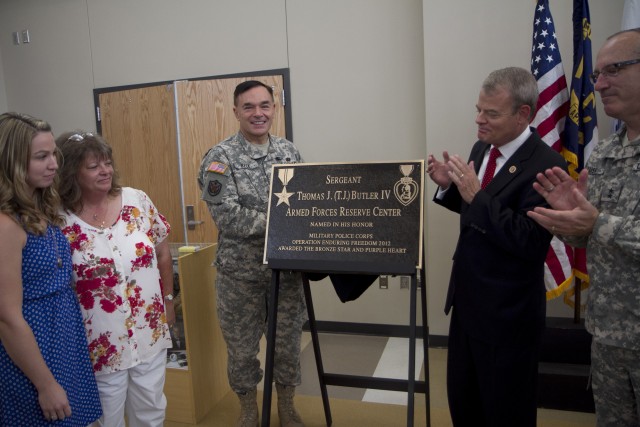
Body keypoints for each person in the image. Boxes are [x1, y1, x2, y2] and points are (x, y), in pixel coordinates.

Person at [426, 67, 567, 427]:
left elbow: (530, 241)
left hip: (509, 317)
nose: (479, 120)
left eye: (490, 113)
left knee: (506, 411)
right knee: (465, 403)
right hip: (468, 304)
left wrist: (476, 195)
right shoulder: (482, 148)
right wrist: (450, 187)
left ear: (524, 114)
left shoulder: (547, 166)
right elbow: (479, 216)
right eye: (478, 110)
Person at [527, 28, 640, 427]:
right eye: (596, 75)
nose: (599, 84)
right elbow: (592, 234)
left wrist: (599, 223)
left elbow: (603, 226)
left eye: (614, 70)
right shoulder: (608, 151)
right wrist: (568, 222)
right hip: (608, 334)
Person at [197, 80, 305, 427]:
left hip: (286, 273)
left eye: (264, 106)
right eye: (249, 107)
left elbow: (306, 202)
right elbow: (227, 216)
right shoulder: (220, 157)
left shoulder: (289, 152)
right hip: (239, 276)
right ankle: (248, 409)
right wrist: (282, 222)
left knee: (287, 346)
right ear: (236, 112)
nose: (258, 113)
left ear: (275, 108)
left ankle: (287, 406)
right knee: (242, 351)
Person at [56, 131, 174, 427]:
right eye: (94, 166)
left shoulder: (137, 200)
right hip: (97, 342)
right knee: (104, 419)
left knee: (151, 411)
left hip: (149, 332)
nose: (105, 170)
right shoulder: (57, 219)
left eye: (107, 163)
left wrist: (169, 300)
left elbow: (162, 252)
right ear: (71, 172)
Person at [0, 112, 102, 425]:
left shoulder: (39, 209)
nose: (54, 164)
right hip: (32, 354)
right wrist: (44, 384)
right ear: (12, 162)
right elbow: (6, 317)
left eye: (53, 155)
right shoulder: (6, 225)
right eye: (41, 157)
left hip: (63, 342)